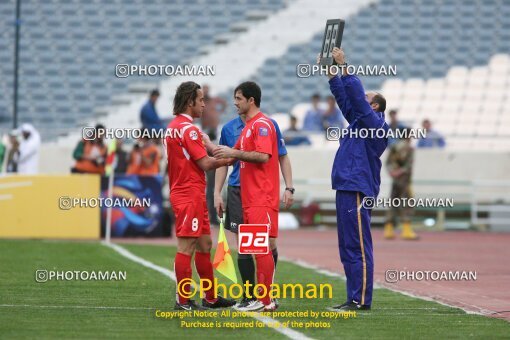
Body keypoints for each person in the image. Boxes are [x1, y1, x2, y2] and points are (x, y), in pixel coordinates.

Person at [323, 48, 388, 311]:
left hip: (358, 189)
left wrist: (345, 66)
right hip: (347, 186)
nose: (360, 100)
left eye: (365, 98)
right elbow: (346, 100)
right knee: (348, 245)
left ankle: (360, 299)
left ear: (374, 106)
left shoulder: (376, 125)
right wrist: (331, 73)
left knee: (358, 246)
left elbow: (356, 103)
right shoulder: (361, 122)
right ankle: (353, 297)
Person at [214, 107, 295, 309]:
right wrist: (217, 192)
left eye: (238, 99)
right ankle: (250, 296)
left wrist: (289, 187)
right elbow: (224, 161)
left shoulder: (267, 125)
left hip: (260, 192)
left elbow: (281, 156)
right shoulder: (229, 128)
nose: (235, 103)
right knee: (245, 244)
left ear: (250, 100)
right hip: (237, 190)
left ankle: (266, 294)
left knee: (268, 243)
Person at [165, 81, 235, 310]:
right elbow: (206, 163)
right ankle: (182, 300)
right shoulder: (189, 129)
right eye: (201, 99)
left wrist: (210, 144)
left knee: (205, 244)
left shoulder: (176, 126)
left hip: (189, 192)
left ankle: (211, 297)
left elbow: (206, 153)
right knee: (186, 246)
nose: (205, 104)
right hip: (189, 194)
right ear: (189, 102)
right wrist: (236, 158)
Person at [384, 131, 419, 240]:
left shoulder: (394, 147)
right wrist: (401, 171)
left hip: (395, 180)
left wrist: (393, 172)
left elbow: (388, 163)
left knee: (393, 203)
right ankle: (406, 231)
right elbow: (408, 165)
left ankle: (388, 230)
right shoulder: (409, 148)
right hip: (405, 180)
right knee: (407, 203)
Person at [202, 84, 227, 227]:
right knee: (210, 189)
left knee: (213, 188)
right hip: (208, 138)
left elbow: (223, 103)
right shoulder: (203, 102)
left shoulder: (212, 100)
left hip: (212, 136)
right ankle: (210, 217)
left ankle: (212, 217)